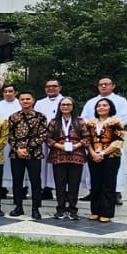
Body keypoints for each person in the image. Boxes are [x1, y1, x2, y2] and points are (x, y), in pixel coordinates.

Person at [80, 76, 127, 205]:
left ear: (113, 86)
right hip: (94, 142)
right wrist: (94, 127)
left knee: (112, 174)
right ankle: (93, 192)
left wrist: (107, 126)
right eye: (101, 84)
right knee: (95, 173)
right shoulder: (91, 102)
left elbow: (124, 118)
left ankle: (116, 193)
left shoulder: (121, 101)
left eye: (106, 84)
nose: (103, 86)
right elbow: (84, 118)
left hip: (111, 143)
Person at [45, 97, 89, 220]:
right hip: (58, 156)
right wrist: (60, 146)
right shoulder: (54, 121)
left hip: (76, 156)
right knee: (60, 184)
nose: (65, 107)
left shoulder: (80, 121)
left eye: (68, 104)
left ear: (73, 106)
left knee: (74, 184)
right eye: (63, 104)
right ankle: (60, 209)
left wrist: (77, 145)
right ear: (59, 107)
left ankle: (73, 209)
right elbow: (48, 138)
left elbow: (87, 138)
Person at [8, 91, 48, 219]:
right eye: (22, 99)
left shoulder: (40, 117)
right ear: (19, 101)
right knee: (17, 181)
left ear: (33, 100)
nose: (25, 101)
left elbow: (43, 135)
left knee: (35, 181)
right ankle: (18, 207)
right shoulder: (13, 117)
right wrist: (17, 149)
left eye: (28, 99)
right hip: (16, 154)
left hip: (34, 154)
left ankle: (35, 208)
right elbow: (9, 135)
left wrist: (28, 149)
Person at [86, 98, 125, 223]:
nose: (101, 107)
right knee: (95, 184)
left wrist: (103, 153)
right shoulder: (91, 123)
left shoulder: (115, 122)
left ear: (110, 107)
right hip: (93, 157)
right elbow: (87, 140)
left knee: (108, 185)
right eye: (99, 105)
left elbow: (118, 141)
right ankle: (95, 211)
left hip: (111, 157)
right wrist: (93, 153)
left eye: (105, 105)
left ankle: (106, 212)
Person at [34, 79, 64, 200]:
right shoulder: (40, 103)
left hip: (59, 137)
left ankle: (62, 190)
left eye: (54, 86)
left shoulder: (65, 101)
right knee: (43, 164)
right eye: (48, 86)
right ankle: (45, 188)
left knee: (58, 164)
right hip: (42, 137)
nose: (51, 88)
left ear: (59, 88)